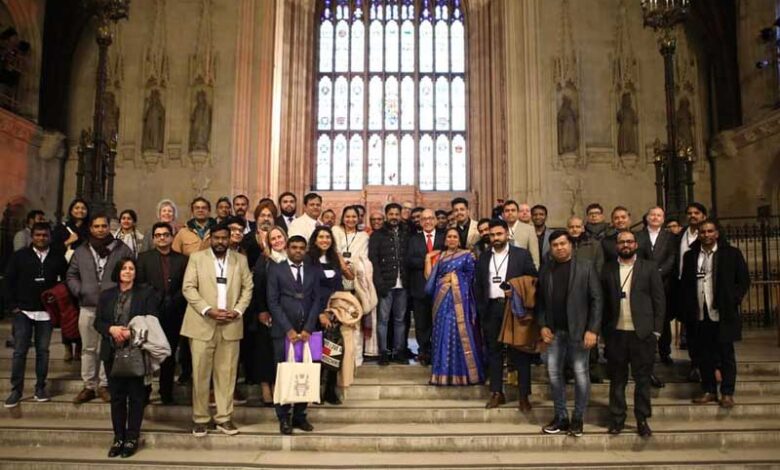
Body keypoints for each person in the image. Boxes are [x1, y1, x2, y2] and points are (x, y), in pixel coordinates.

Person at [181, 223, 254, 437]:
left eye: (225, 238)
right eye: (217, 238)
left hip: (230, 325)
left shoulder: (240, 260)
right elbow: (188, 287)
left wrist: (238, 311)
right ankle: (201, 419)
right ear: (210, 238)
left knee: (227, 375)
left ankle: (224, 418)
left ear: (230, 238)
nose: (221, 242)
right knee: (200, 375)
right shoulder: (197, 258)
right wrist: (207, 310)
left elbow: (248, 287)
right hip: (202, 324)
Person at [537, 230, 602, 437]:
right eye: (555, 245)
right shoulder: (546, 269)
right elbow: (540, 302)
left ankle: (578, 419)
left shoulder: (585, 267)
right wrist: (542, 325)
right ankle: (561, 417)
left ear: (571, 245)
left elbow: (597, 300)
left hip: (579, 331)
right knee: (554, 375)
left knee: (581, 375)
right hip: (555, 332)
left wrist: (592, 329)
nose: (559, 248)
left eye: (563, 243)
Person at [601, 230, 665, 437]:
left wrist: (656, 330)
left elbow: (659, 301)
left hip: (642, 333)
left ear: (636, 244)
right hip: (617, 333)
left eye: (629, 241)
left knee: (643, 380)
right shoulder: (608, 269)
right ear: (616, 246)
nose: (626, 245)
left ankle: (642, 419)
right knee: (617, 380)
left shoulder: (649, 267)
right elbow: (602, 302)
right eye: (622, 242)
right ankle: (617, 418)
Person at [94, 257, 160, 458]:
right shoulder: (106, 295)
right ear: (118, 271)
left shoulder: (146, 293)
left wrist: (131, 332)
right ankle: (118, 438)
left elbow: (152, 319)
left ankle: (132, 438)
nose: (128, 271)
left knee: (137, 397)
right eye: (124, 268)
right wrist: (111, 329)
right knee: (117, 398)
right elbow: (98, 322)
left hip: (136, 351)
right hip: (112, 352)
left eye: (131, 268)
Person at [681, 220, 750, 409]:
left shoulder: (731, 254)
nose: (706, 234)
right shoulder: (690, 256)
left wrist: (732, 299)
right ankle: (709, 390)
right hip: (700, 313)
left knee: (726, 355)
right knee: (704, 355)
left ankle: (727, 393)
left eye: (710, 231)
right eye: (702, 232)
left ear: (717, 234)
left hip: (722, 312)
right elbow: (685, 284)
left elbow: (743, 281)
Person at [67, 214, 134, 404]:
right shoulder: (81, 250)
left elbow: (131, 269)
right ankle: (89, 386)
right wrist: (80, 290)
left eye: (104, 225)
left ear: (109, 227)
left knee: (107, 348)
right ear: (90, 228)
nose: (100, 229)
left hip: (112, 306)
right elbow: (71, 275)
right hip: (87, 306)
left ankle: (105, 385)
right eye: (96, 226)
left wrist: (122, 294)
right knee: (88, 348)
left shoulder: (121, 249)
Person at [474, 219, 537, 409]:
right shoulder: (484, 257)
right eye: (492, 235)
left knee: (519, 353)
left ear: (507, 235)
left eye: (499, 234)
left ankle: (523, 396)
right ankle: (496, 392)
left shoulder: (521, 255)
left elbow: (534, 278)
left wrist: (516, 289)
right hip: (491, 309)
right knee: (494, 352)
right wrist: (481, 309)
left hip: (513, 308)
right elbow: (479, 285)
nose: (495, 238)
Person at [4, 223, 68, 407]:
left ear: (50, 237)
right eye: (38, 235)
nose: (41, 238)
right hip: (22, 311)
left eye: (45, 235)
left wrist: (57, 303)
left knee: (43, 352)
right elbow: (8, 281)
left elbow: (65, 281)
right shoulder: (20, 256)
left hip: (46, 313)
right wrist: (13, 306)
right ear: (32, 236)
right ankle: (16, 390)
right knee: (19, 352)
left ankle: (40, 387)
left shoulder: (57, 257)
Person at [266, 235, 323, 435]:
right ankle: (283, 417)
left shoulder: (314, 270)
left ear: (306, 250)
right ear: (288, 249)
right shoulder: (276, 269)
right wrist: (288, 329)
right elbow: (272, 302)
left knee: (305, 373)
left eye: (301, 248)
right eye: (294, 247)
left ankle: (300, 415)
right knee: (283, 374)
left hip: (308, 332)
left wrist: (308, 328)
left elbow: (317, 300)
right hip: (283, 332)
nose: (297, 250)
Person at [135, 222, 188, 405]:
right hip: (152, 312)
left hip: (174, 312)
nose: (162, 238)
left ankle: (166, 392)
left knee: (169, 354)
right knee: (148, 353)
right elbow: (140, 284)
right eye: (158, 235)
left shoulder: (182, 260)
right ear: (154, 238)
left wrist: (174, 299)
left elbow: (186, 285)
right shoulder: (143, 258)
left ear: (172, 237)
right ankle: (145, 392)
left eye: (165, 234)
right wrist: (157, 297)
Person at [424, 227, 484, 385]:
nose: (451, 239)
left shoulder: (467, 256)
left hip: (461, 304)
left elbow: (472, 279)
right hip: (442, 301)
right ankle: (441, 375)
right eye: (449, 236)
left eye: (455, 237)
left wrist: (454, 278)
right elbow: (432, 279)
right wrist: (443, 280)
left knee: (458, 334)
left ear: (459, 240)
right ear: (445, 239)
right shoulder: (441, 257)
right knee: (442, 334)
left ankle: (463, 375)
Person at [309, 226, 354, 404]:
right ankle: (315, 390)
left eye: (328, 237)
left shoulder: (335, 258)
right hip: (315, 312)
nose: (324, 240)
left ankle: (329, 390)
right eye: (321, 237)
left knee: (333, 351)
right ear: (315, 239)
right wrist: (320, 313)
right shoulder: (309, 259)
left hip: (334, 311)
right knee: (316, 353)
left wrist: (336, 310)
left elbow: (344, 283)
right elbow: (310, 288)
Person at [369, 203, 410, 365]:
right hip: (386, 284)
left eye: (396, 214)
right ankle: (383, 352)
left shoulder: (406, 233)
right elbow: (374, 260)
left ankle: (399, 352)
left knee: (400, 320)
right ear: (386, 215)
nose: (394, 217)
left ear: (400, 215)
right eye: (391, 214)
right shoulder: (378, 235)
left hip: (404, 285)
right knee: (383, 320)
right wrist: (379, 284)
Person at [636, 206, 676, 367]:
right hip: (643, 282)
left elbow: (672, 258)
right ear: (646, 217)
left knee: (663, 318)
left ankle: (665, 351)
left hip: (663, 282)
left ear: (663, 218)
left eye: (658, 215)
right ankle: (647, 351)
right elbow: (636, 256)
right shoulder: (638, 235)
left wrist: (658, 273)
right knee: (645, 316)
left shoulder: (670, 236)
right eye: (652, 215)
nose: (655, 217)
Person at [406, 209, 444, 365]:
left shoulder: (444, 237)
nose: (427, 221)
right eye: (424, 219)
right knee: (421, 323)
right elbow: (409, 260)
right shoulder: (413, 239)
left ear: (435, 220)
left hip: (441, 287)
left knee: (438, 321)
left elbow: (448, 256)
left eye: (430, 218)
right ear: (420, 222)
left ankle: (438, 351)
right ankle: (423, 351)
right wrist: (428, 259)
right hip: (419, 287)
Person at [676, 202, 708, 380]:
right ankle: (694, 364)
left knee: (706, 331)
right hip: (685, 287)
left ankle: (708, 366)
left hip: (705, 288)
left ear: (703, 215)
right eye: (689, 213)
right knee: (691, 328)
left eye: (696, 213)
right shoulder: (681, 234)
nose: (692, 216)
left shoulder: (709, 234)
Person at [502, 200, 541, 269]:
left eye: (513, 210)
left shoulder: (529, 229)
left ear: (517, 213)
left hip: (522, 271)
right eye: (507, 211)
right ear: (503, 214)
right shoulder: (500, 229)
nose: (510, 213)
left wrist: (534, 274)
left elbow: (535, 256)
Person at [243, 199, 278, 269]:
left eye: (269, 216)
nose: (266, 219)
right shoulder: (247, 239)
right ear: (257, 218)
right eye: (262, 215)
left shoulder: (280, 239)